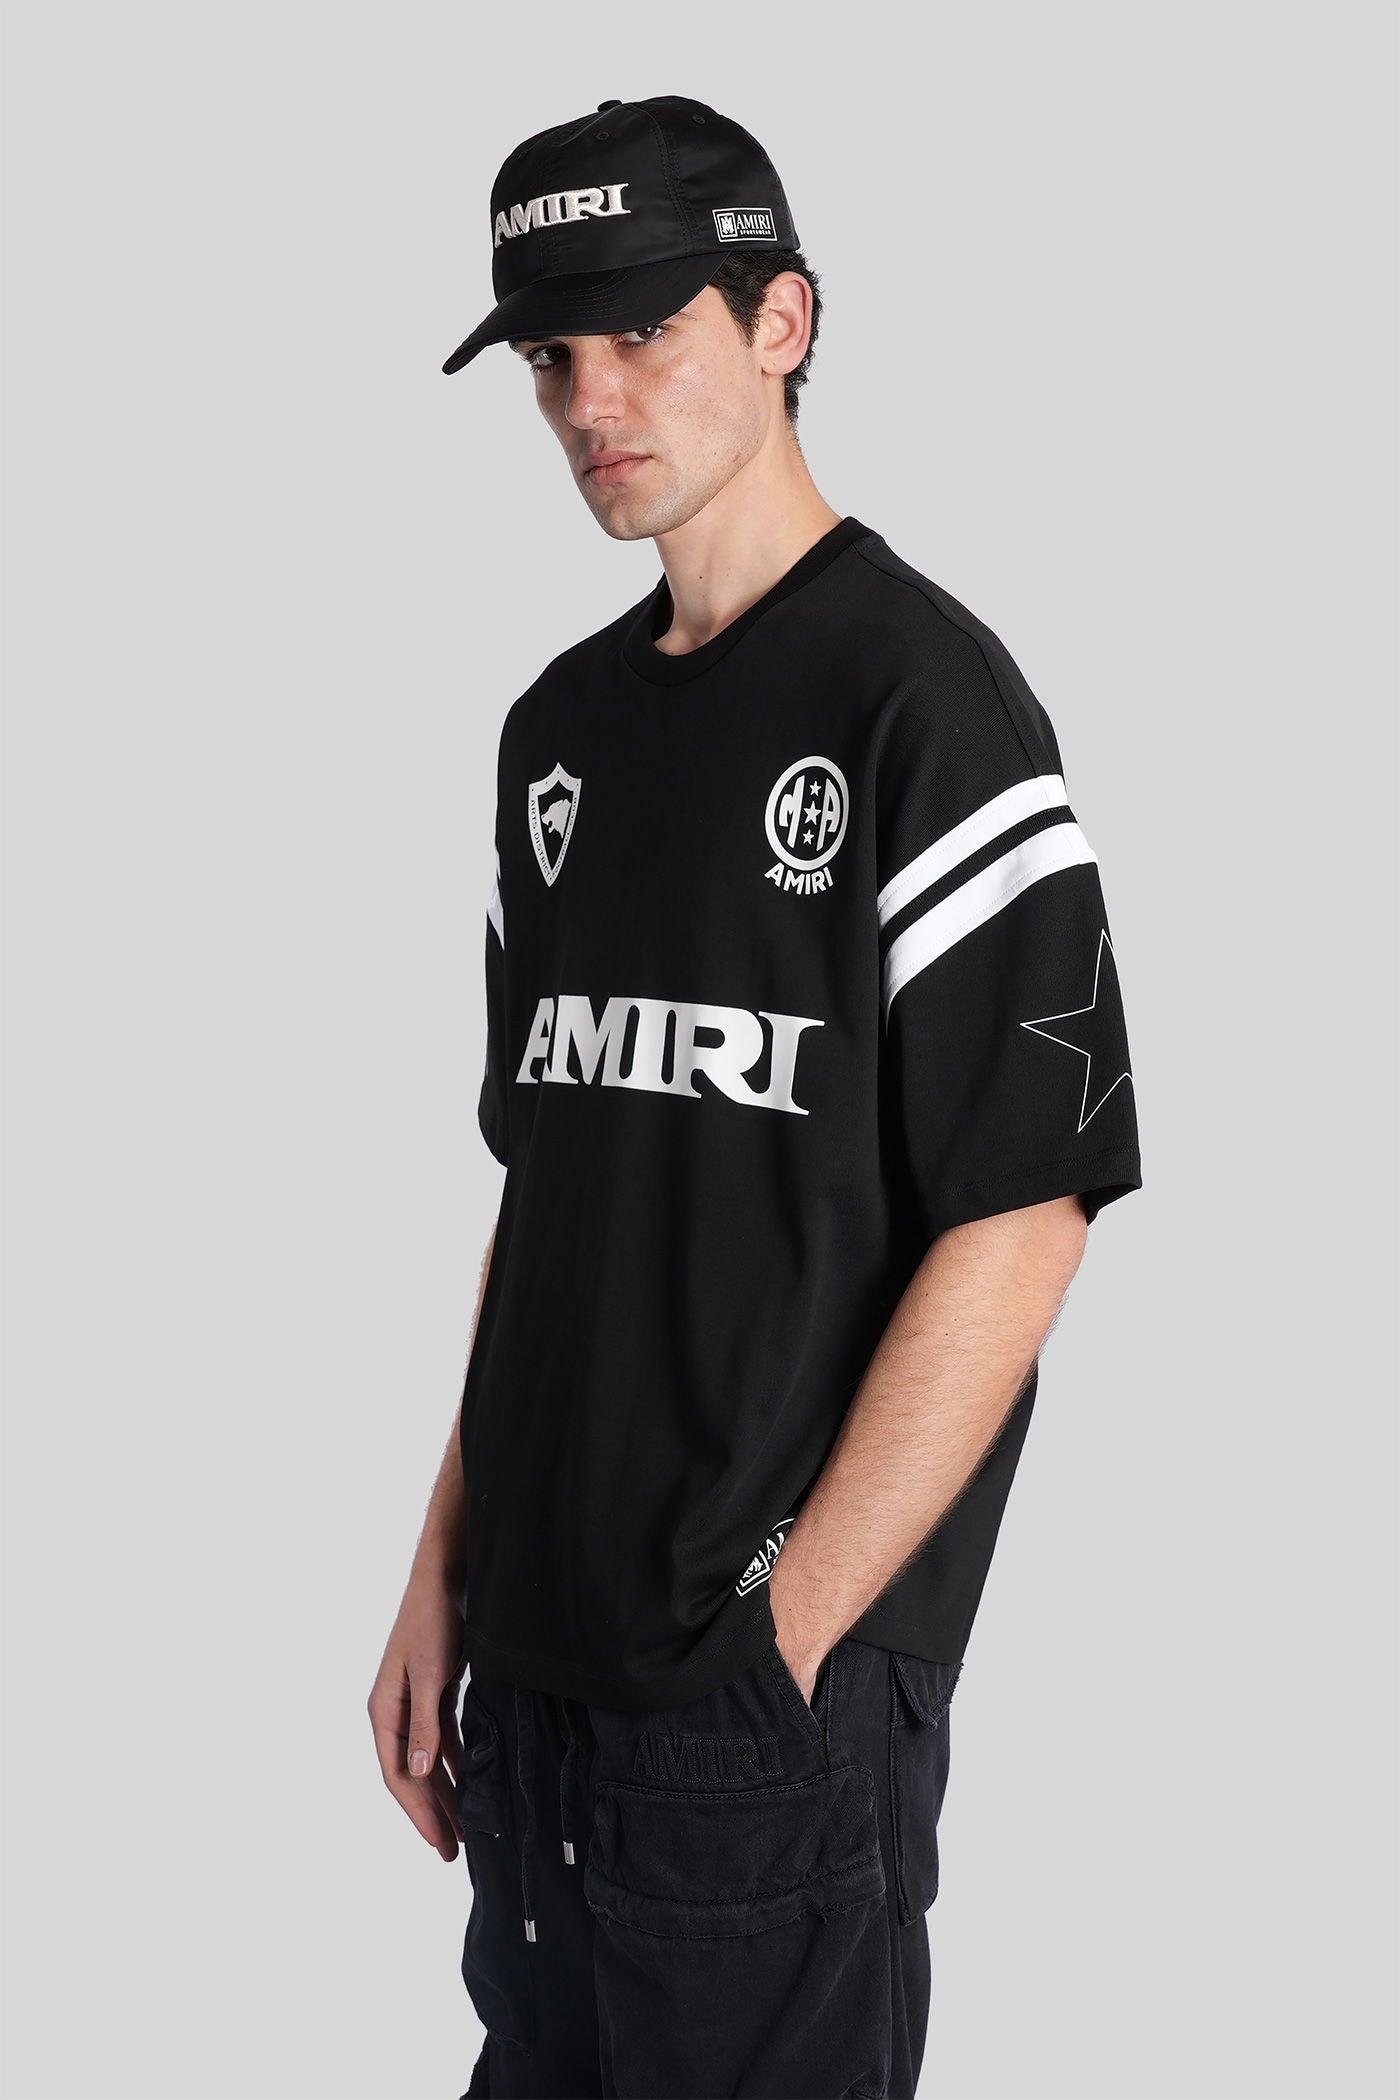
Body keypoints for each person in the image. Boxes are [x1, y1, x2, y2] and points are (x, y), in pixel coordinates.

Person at [368, 94, 1144, 2100]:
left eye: (643, 334)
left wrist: (789, 1632)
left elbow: (1023, 1214)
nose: (589, 401)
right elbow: (555, 1190)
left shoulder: (922, 703)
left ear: (782, 321)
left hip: (748, 1713)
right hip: (533, 1683)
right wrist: (442, 1569)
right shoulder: (556, 734)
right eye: (552, 356)